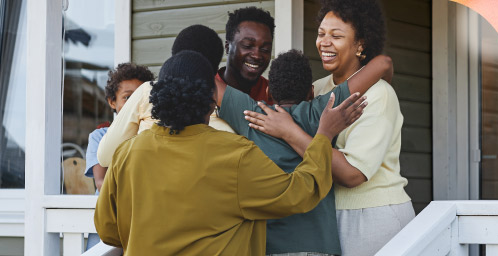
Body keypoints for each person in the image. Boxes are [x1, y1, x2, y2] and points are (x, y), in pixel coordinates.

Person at [94, 50, 364, 255]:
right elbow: (299, 193)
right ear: (211, 102)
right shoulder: (235, 154)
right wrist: (323, 136)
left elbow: (107, 228)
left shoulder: (127, 154)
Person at [243, 0, 415, 255]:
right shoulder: (317, 88)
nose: (324, 42)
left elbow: (352, 174)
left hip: (372, 216)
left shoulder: (380, 95)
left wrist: (289, 132)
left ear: (361, 44)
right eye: (322, 33)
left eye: (336, 36)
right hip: (329, 215)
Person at [216, 49, 393, 256]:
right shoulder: (324, 111)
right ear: (311, 92)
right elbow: (383, 62)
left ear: (268, 93)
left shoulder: (254, 115)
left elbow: (206, 84)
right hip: (320, 246)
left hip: (270, 247)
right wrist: (385, 85)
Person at [96, 24, 234, 167]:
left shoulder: (147, 91)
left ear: (172, 60)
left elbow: (106, 156)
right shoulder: (230, 116)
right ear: (214, 71)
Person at [83, 62, 154, 250]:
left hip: (143, 221)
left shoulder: (152, 135)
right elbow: (101, 181)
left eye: (140, 97)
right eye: (128, 98)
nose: (134, 104)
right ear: (112, 102)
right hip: (109, 219)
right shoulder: (99, 136)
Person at [217, 6, 275, 104]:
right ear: (227, 47)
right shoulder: (205, 90)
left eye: (265, 49)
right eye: (247, 46)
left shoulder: (274, 96)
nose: (256, 55)